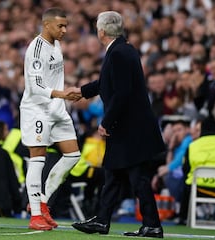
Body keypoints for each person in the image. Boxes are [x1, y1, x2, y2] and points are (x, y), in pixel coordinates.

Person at [71, 11, 165, 238]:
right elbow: (106, 83)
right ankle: (102, 220)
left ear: (101, 31)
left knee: (138, 178)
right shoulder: (123, 49)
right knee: (113, 174)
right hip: (130, 127)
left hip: (129, 128)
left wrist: (106, 122)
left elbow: (122, 92)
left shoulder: (119, 53)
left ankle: (151, 225)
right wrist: (82, 92)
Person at [19, 7, 81, 231]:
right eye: (60, 26)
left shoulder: (56, 44)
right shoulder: (36, 49)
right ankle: (35, 214)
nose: (64, 30)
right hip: (37, 110)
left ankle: (42, 201)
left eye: (66, 26)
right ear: (46, 25)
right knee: (38, 159)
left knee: (73, 154)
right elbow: (35, 86)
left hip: (56, 108)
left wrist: (62, 96)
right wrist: (63, 93)